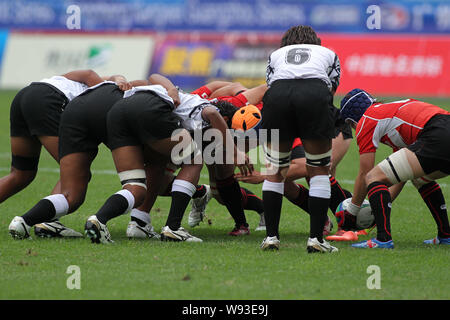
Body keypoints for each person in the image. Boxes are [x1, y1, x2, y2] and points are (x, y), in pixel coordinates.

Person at [83, 74, 252, 243]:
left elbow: (153, 78)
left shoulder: (188, 102)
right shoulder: (206, 107)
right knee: (194, 161)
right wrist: (234, 152)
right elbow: (212, 114)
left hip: (119, 113)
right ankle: (173, 227)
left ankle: (112, 220)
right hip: (149, 111)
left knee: (137, 182)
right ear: (226, 120)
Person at [8, 76, 137, 239]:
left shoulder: (76, 82)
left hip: (25, 95)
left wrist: (116, 78)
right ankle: (48, 221)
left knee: (20, 174)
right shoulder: (104, 91)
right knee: (77, 173)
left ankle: (46, 221)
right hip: (49, 101)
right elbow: (90, 75)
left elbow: (85, 72)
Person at [259, 25, 341, 253]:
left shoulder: (276, 55)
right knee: (318, 169)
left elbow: (270, 83)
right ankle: (316, 239)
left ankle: (271, 237)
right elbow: (332, 86)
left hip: (278, 95)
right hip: (314, 94)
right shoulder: (328, 53)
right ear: (316, 41)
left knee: (275, 170)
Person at [338, 88, 450, 248]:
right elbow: (400, 177)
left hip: (436, 134)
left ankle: (383, 239)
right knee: (420, 179)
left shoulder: (366, 119)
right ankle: (445, 235)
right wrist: (377, 212)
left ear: (351, 120)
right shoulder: (388, 113)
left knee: (373, 176)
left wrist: (352, 212)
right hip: (441, 128)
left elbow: (365, 174)